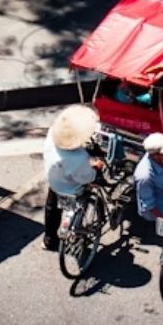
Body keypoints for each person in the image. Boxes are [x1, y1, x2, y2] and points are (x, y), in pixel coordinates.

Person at [41, 105, 104, 251]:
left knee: (52, 209)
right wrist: (97, 166)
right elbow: (87, 177)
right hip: (73, 188)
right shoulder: (80, 158)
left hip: (54, 181)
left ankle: (49, 239)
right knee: (95, 177)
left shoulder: (51, 137)